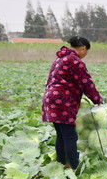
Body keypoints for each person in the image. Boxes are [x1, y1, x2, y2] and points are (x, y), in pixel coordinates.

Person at [41, 36, 103, 170]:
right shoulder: (75, 61)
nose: (85, 55)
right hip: (63, 101)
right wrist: (97, 99)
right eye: (86, 52)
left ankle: (61, 164)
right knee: (70, 135)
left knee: (61, 135)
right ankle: (75, 167)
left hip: (50, 99)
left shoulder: (59, 59)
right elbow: (86, 83)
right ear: (83, 48)